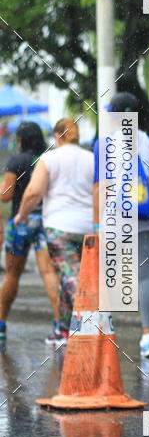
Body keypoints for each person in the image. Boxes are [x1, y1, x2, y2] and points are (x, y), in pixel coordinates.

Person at [92, 92, 149, 357]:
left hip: (115, 218)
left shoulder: (104, 143)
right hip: (148, 217)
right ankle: (148, 337)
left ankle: (104, 332)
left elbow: (100, 186)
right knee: (147, 276)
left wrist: (96, 225)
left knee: (107, 275)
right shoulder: (148, 141)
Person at [14, 118, 94, 338]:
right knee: (74, 276)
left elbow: (34, 192)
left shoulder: (49, 159)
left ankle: (87, 325)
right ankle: (64, 331)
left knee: (70, 278)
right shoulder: (92, 158)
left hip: (59, 227)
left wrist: (22, 214)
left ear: (57, 135)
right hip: (87, 227)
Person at [0, 121, 61, 346]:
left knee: (12, 276)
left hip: (21, 221)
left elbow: (6, 195)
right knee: (49, 273)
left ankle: (1, 326)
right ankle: (60, 326)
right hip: (45, 221)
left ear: (20, 140)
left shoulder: (16, 161)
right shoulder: (48, 158)